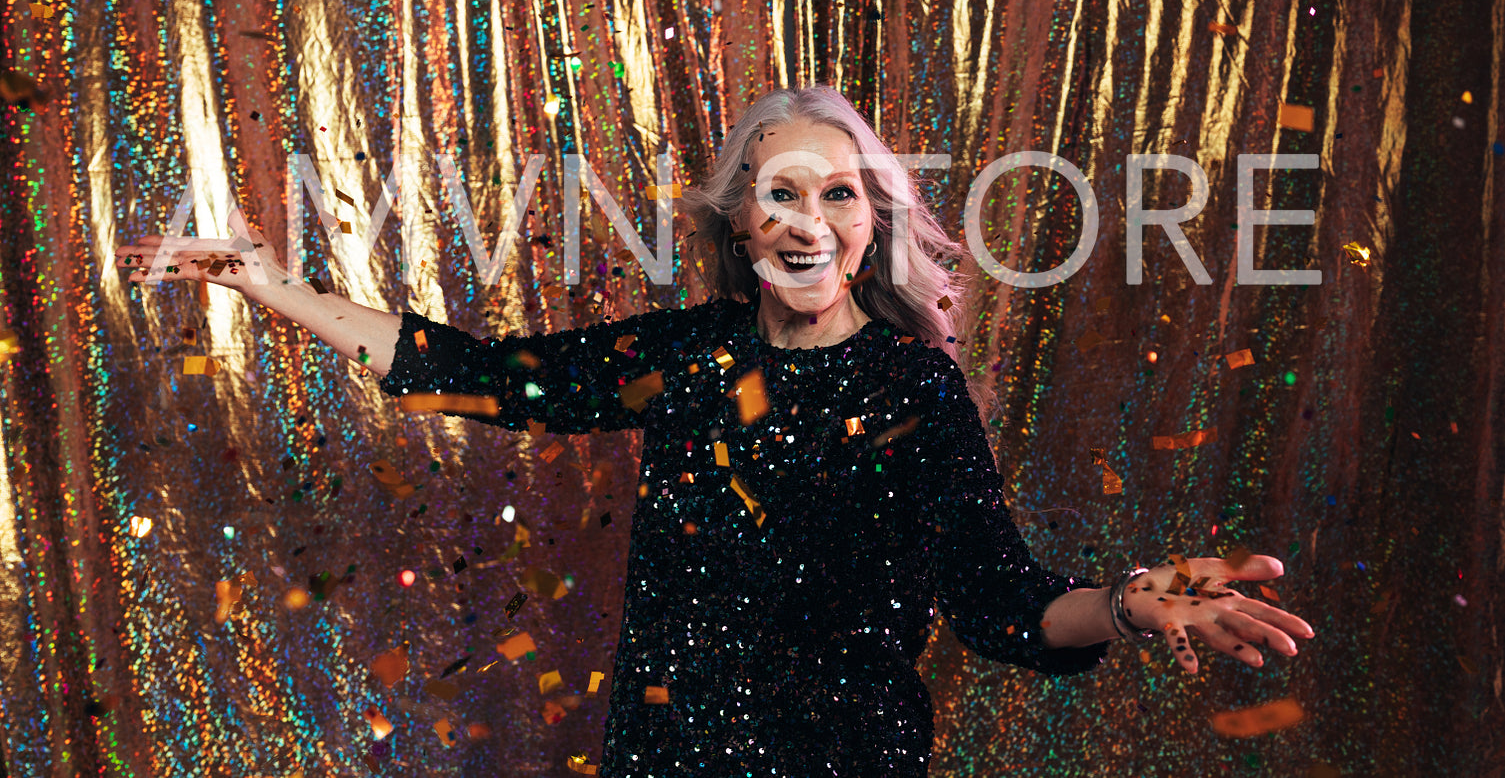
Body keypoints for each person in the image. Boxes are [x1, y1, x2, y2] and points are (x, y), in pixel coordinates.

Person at [116, 85, 1313, 776]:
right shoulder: (685, 360)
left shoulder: (913, 389)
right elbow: (482, 380)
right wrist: (273, 283)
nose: (805, 218)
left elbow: (998, 598)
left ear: (866, 223)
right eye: (777, 191)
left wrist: (1128, 600)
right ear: (742, 221)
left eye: (833, 192)